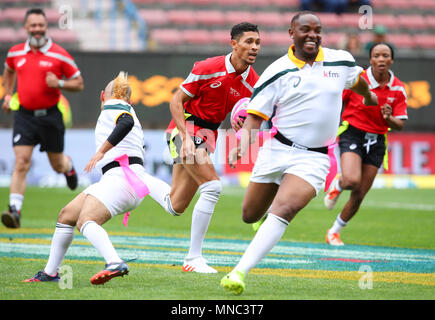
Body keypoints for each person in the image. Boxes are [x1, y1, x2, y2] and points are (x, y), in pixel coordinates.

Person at [220, 12, 378, 295]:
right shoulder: (277, 71)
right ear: (291, 33)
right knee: (249, 214)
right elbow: (255, 117)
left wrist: (368, 96)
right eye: (306, 30)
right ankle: (263, 216)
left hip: (314, 157)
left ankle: (238, 272)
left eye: (318, 30)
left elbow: (357, 80)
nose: (313, 35)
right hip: (277, 149)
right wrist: (243, 145)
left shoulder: (340, 60)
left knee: (284, 210)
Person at [23, 71, 155, 284]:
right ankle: (50, 273)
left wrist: (102, 150)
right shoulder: (123, 106)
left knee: (86, 220)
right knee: (67, 216)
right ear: (130, 99)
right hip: (122, 178)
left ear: (102, 95)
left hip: (122, 178)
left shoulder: (114, 105)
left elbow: (125, 123)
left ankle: (114, 262)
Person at [151, 22, 260, 274]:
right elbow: (176, 100)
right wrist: (185, 138)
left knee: (175, 205)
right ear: (234, 44)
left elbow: (253, 119)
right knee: (212, 186)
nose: (254, 47)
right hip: (185, 129)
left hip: (209, 135)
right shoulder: (207, 67)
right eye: (248, 42)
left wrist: (242, 143)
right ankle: (194, 258)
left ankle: (138, 177)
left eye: (257, 43)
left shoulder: (254, 84)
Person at [1, 8, 84, 229]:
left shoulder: (59, 54)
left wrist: (59, 83)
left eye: (41, 25)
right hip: (25, 116)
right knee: (21, 162)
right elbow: (8, 70)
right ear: (26, 27)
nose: (37, 30)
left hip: (50, 117)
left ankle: (68, 167)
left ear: (46, 27)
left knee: (56, 164)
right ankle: (14, 210)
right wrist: (8, 95)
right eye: (33, 26)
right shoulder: (15, 53)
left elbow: (79, 82)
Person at [324, 42, 407, 245]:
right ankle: (339, 183)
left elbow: (400, 124)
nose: (381, 59)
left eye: (385, 55)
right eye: (376, 55)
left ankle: (333, 232)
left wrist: (388, 119)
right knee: (351, 180)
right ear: (370, 59)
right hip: (353, 133)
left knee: (359, 193)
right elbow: (336, 101)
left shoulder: (398, 88)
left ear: (392, 60)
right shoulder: (358, 80)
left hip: (377, 140)